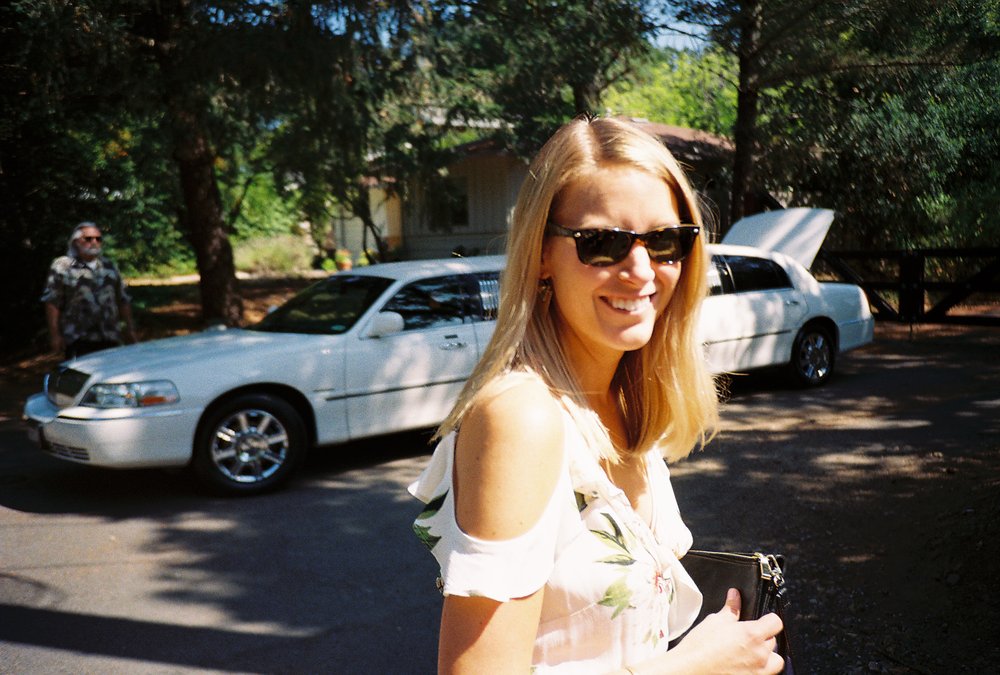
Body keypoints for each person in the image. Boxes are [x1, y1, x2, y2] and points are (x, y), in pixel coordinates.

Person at [409, 117, 784, 674]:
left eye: (665, 241)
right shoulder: (522, 418)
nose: (641, 271)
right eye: (603, 244)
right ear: (541, 254)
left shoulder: (623, 404)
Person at [41, 222, 137, 360]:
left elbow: (123, 299)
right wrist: (55, 334)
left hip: (109, 336)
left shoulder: (109, 266)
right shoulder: (63, 266)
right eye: (88, 239)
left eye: (98, 239)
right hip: (78, 338)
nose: (94, 242)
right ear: (76, 242)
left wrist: (129, 329)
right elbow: (52, 301)